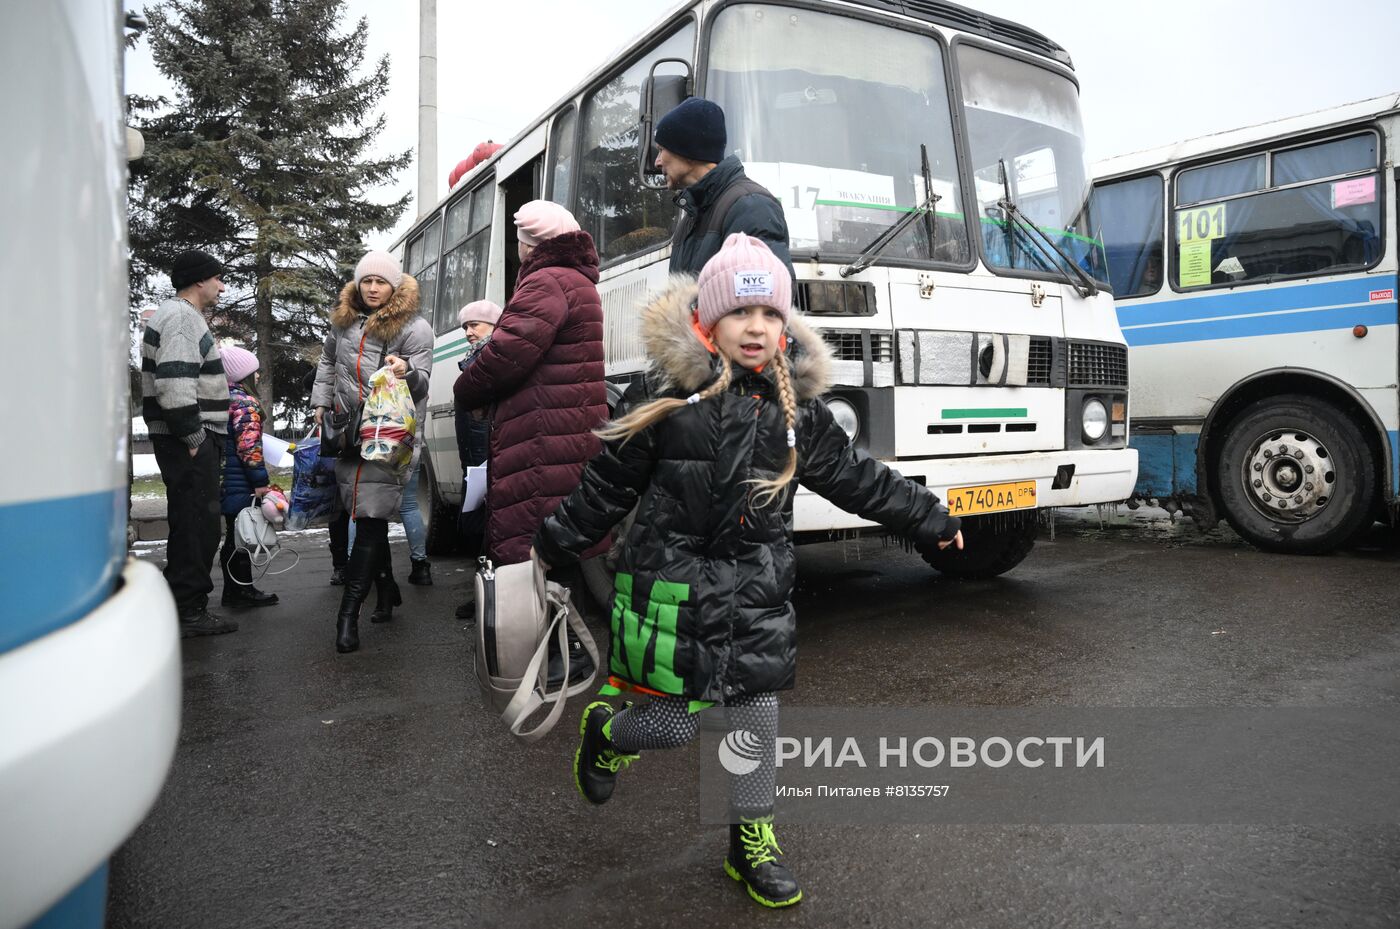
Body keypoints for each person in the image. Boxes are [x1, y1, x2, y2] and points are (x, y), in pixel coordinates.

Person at [531, 233, 964, 909]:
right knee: (675, 723)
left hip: (758, 590)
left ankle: (749, 840)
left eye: (770, 316)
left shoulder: (796, 411)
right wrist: (556, 542)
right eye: (741, 313)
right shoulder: (664, 395)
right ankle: (607, 733)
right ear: (709, 318)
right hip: (673, 588)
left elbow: (855, 476)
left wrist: (928, 517)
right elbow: (607, 483)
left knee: (757, 723)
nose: (757, 328)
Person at [453, 200, 605, 681]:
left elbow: (505, 354)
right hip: (567, 430)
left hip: (542, 432)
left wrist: (466, 388)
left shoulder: (545, 281)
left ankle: (569, 655)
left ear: (528, 244)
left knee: (542, 549)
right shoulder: (578, 280)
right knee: (560, 543)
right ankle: (566, 650)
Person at [310, 250, 433, 654]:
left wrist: (406, 371)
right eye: (367, 281)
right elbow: (328, 363)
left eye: (381, 281)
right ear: (358, 285)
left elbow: (423, 383)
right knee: (363, 513)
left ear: (394, 285)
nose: (373, 288)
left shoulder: (414, 328)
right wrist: (321, 405)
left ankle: (348, 616)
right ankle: (387, 588)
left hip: (387, 437)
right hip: (347, 434)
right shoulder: (343, 323)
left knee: (371, 516)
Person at [141, 249, 238, 638]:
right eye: (217, 278)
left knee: (191, 522)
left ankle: (182, 605)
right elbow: (175, 384)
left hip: (185, 439)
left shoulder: (177, 315)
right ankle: (188, 611)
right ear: (200, 280)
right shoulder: (182, 318)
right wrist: (193, 435)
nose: (221, 285)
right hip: (189, 440)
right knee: (198, 525)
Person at [654, 97, 793, 280]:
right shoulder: (689, 220)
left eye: (661, 150)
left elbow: (763, 300)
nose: (657, 162)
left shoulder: (751, 207)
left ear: (688, 150)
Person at [217, 344, 279, 609]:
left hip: (225, 479)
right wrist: (260, 483)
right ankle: (242, 592)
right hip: (240, 481)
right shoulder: (244, 403)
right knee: (241, 537)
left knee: (233, 536)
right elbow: (249, 448)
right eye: (254, 372)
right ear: (241, 375)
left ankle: (235, 590)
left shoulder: (223, 400)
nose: (257, 376)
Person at [453, 299, 501, 620]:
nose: (470, 332)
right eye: (466, 326)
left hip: (488, 458)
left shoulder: (490, 359)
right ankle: (485, 592)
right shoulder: (473, 359)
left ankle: (490, 596)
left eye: (476, 325)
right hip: (474, 458)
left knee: (486, 529)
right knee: (476, 529)